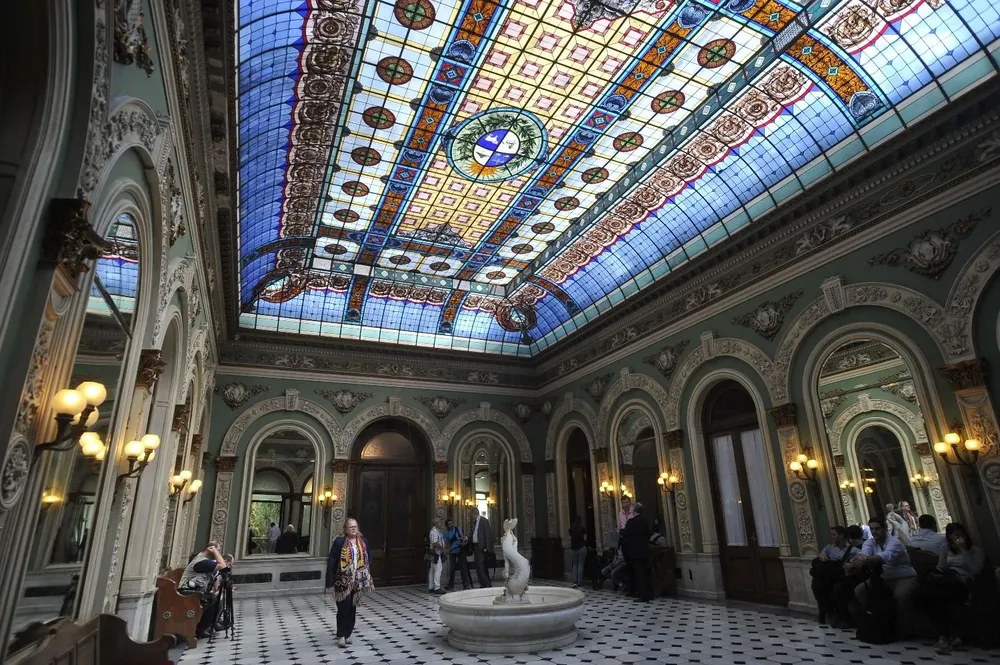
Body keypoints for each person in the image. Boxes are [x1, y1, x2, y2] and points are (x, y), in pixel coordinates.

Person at [847, 516, 918, 633]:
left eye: (877, 529)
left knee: (900, 596)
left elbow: (885, 556)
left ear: (885, 529)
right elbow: (864, 553)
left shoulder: (894, 542)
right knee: (860, 591)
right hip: (884, 578)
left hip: (904, 577)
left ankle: (905, 628)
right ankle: (879, 619)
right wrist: (856, 561)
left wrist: (865, 560)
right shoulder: (870, 542)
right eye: (872, 529)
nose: (874, 532)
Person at [931, 523, 985, 655]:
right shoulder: (946, 548)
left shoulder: (974, 550)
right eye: (953, 536)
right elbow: (941, 567)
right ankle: (948, 636)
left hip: (964, 581)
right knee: (940, 597)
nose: (957, 538)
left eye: (959, 535)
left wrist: (963, 550)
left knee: (942, 597)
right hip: (948, 581)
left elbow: (976, 570)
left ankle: (945, 637)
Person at [326, 518, 374, 648]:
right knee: (343, 607)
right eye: (351, 527)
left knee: (352, 608)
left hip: (358, 581)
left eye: (355, 526)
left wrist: (366, 573)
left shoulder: (363, 541)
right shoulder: (339, 542)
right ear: (345, 529)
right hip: (342, 582)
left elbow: (369, 557)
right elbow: (332, 561)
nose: (353, 528)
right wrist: (329, 582)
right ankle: (341, 635)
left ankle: (348, 634)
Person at [179, 542, 229, 639]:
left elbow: (224, 572)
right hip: (187, 592)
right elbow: (223, 567)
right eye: (218, 550)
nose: (218, 553)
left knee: (218, 597)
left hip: (195, 592)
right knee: (217, 599)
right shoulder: (201, 562)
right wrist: (215, 551)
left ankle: (205, 627)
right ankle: (200, 630)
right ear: (210, 549)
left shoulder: (205, 561)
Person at [811, 526, 851, 624]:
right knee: (817, 584)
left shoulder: (851, 549)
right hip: (827, 576)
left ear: (841, 535)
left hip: (840, 576)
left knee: (823, 584)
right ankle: (829, 612)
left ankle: (830, 613)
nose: (832, 537)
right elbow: (821, 555)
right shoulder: (829, 547)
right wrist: (822, 556)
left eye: (834, 534)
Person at [622, 502, 652, 601]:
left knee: (639, 574)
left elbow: (626, 534)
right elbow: (649, 534)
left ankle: (643, 595)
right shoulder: (645, 521)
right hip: (645, 550)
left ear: (634, 511)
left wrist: (622, 531)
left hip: (634, 551)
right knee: (645, 573)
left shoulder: (631, 522)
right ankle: (649, 594)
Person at [443, 519, 471, 590]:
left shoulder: (458, 528)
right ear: (447, 526)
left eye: (452, 523)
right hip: (452, 552)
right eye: (449, 524)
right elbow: (446, 543)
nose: (451, 525)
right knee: (452, 568)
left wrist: (463, 541)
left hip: (460, 550)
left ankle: (465, 585)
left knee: (463, 568)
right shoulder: (446, 533)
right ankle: (451, 585)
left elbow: (462, 537)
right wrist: (445, 550)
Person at [470, 507, 492, 588]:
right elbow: (474, 534)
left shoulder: (483, 520)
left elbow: (488, 534)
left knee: (481, 565)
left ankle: (487, 583)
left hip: (482, 547)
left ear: (474, 513)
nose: (470, 516)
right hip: (476, 547)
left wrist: (488, 547)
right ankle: (483, 583)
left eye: (471, 514)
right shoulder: (475, 523)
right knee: (478, 566)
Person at [568, 515, 587, 589]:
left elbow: (570, 537)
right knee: (580, 565)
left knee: (575, 565)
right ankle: (580, 582)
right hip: (581, 547)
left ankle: (574, 581)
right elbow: (585, 538)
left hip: (573, 548)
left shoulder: (571, 529)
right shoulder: (582, 528)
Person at [427, 519, 446, 594]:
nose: (441, 524)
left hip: (436, 553)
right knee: (438, 569)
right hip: (435, 553)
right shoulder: (434, 532)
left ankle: (431, 587)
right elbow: (435, 542)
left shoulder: (437, 531)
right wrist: (442, 549)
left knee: (432, 570)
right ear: (436, 523)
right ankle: (437, 587)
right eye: (440, 522)